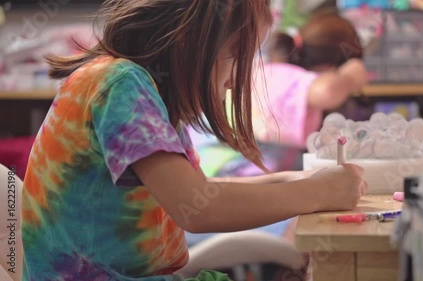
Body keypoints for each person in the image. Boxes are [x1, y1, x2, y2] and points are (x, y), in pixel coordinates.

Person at [21, 1, 368, 280]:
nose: (234, 83)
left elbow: (201, 189)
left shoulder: (144, 91)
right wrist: (318, 192)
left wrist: (304, 179)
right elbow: (198, 208)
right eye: (236, 56)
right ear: (190, 41)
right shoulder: (118, 84)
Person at [252, 10, 370, 148]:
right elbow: (326, 91)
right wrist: (349, 78)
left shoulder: (273, 71)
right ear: (329, 68)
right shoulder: (288, 79)